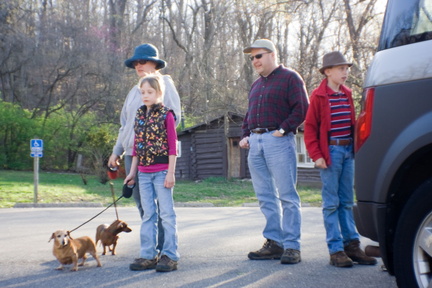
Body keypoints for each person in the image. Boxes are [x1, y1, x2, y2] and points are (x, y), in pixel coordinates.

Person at [304, 51, 377, 268]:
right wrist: (317, 155)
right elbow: (309, 129)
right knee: (331, 203)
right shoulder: (318, 97)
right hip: (331, 154)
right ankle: (335, 250)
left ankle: (351, 246)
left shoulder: (346, 94)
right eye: (341, 69)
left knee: (347, 201)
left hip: (348, 153)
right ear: (328, 72)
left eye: (346, 69)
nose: (345, 73)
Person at [239, 39, 309, 265]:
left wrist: (282, 130)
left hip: (278, 141)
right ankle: (274, 242)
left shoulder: (290, 77)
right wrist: (245, 135)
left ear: (271, 55)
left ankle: (292, 246)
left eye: (258, 56)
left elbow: (302, 108)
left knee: (287, 196)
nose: (254, 61)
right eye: (251, 58)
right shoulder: (256, 84)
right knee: (265, 196)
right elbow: (249, 114)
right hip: (255, 143)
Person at [108, 43, 181, 250]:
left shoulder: (165, 84)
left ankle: (166, 249)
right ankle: (153, 247)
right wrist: (117, 151)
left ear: (155, 63)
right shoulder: (135, 92)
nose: (138, 66)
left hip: (158, 157)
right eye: (135, 63)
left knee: (163, 207)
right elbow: (125, 125)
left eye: (143, 61)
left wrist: (153, 143)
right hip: (134, 155)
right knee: (143, 205)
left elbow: (173, 119)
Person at [125, 74, 179, 272]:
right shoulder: (139, 115)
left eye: (150, 92)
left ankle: (170, 256)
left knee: (166, 214)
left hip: (162, 171)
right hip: (143, 174)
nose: (145, 96)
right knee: (148, 214)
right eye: (143, 92)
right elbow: (136, 148)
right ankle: (148, 255)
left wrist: (170, 173)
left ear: (159, 93)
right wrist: (132, 173)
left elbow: (172, 147)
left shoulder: (167, 115)